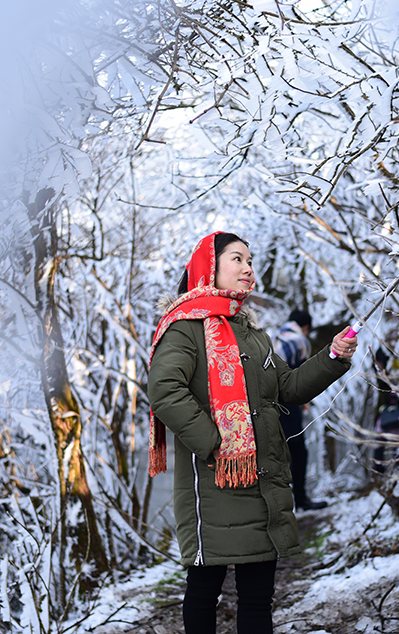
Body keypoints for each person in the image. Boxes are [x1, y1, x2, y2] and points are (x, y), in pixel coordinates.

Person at [148, 231, 358, 634]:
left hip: (262, 481)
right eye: (237, 259)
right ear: (210, 267)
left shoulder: (253, 335)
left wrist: (332, 357)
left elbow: (290, 388)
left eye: (250, 260)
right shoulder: (185, 329)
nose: (248, 268)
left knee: (259, 599)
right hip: (213, 484)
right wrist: (216, 441)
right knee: (205, 590)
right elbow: (164, 391)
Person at [272, 308, 327, 510]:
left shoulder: (274, 336)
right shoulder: (300, 341)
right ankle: (301, 499)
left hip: (266, 402)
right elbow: (301, 378)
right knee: (297, 451)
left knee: (275, 451)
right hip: (286, 403)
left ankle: (279, 502)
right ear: (306, 327)